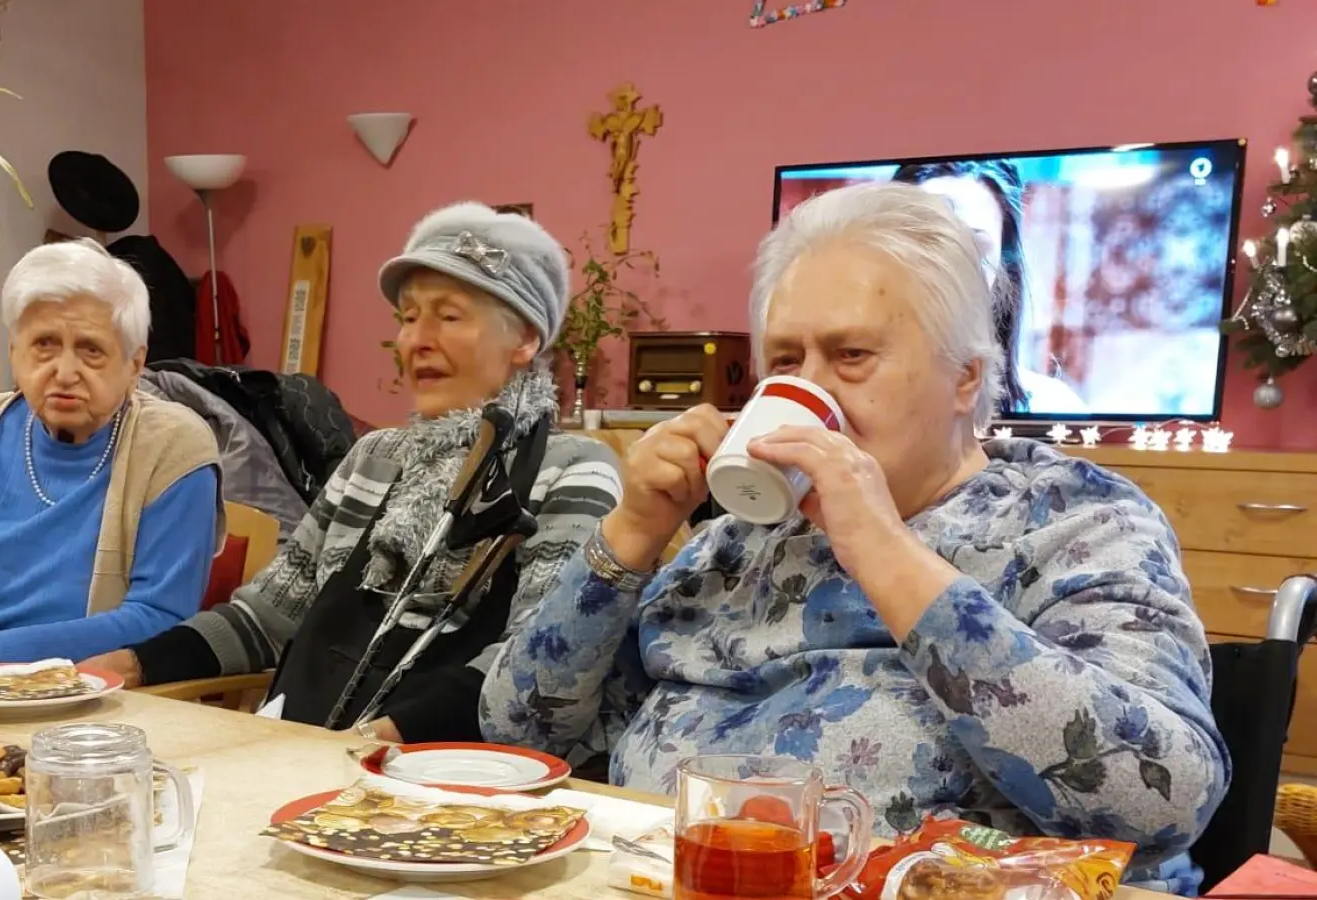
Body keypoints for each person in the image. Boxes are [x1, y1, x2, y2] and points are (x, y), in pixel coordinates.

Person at [480, 183, 1226, 894]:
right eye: (785, 362)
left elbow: (1163, 800)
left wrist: (884, 552)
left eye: (852, 356)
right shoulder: (734, 545)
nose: (812, 390)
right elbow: (518, 735)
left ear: (965, 378)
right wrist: (634, 532)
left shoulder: (1076, 521)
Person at [84, 202, 622, 745]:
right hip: (307, 757)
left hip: (451, 784)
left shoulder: (572, 470)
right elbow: (266, 619)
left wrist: (375, 740)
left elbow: (535, 659)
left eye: (448, 315)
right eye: (409, 318)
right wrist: (124, 666)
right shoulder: (374, 458)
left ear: (525, 339)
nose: (416, 341)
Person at [0, 239, 223, 664]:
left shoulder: (171, 447)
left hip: (78, 695)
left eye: (91, 350)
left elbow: (160, 616)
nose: (65, 372)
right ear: (14, 352)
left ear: (134, 363)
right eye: (45, 345)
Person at [892, 159, 1086, 416]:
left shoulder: (1053, 407)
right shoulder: (842, 399)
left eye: (974, 247)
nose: (949, 267)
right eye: (925, 243)